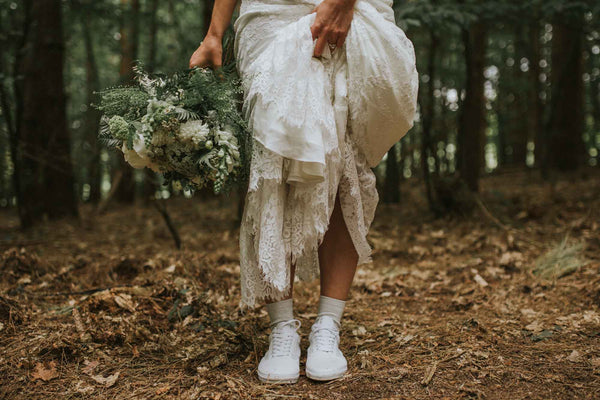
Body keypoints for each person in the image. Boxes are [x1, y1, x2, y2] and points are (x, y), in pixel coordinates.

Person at [190, 0, 417, 384]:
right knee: (273, 164)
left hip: (351, 8)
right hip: (270, 14)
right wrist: (214, 33)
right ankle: (282, 328)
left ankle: (328, 325)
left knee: (343, 161)